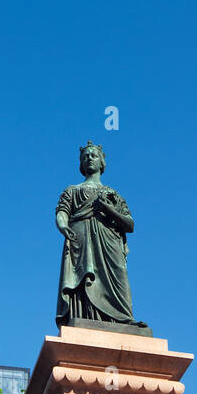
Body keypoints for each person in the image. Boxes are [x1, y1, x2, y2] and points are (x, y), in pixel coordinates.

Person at [55, 141, 146, 328]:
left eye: (93, 155)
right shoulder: (72, 190)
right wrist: (63, 225)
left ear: (102, 162)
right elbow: (62, 212)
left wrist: (108, 208)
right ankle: (86, 317)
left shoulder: (113, 194)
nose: (89, 158)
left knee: (118, 276)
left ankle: (122, 318)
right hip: (81, 238)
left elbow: (129, 224)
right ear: (81, 163)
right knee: (85, 277)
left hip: (109, 241)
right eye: (85, 156)